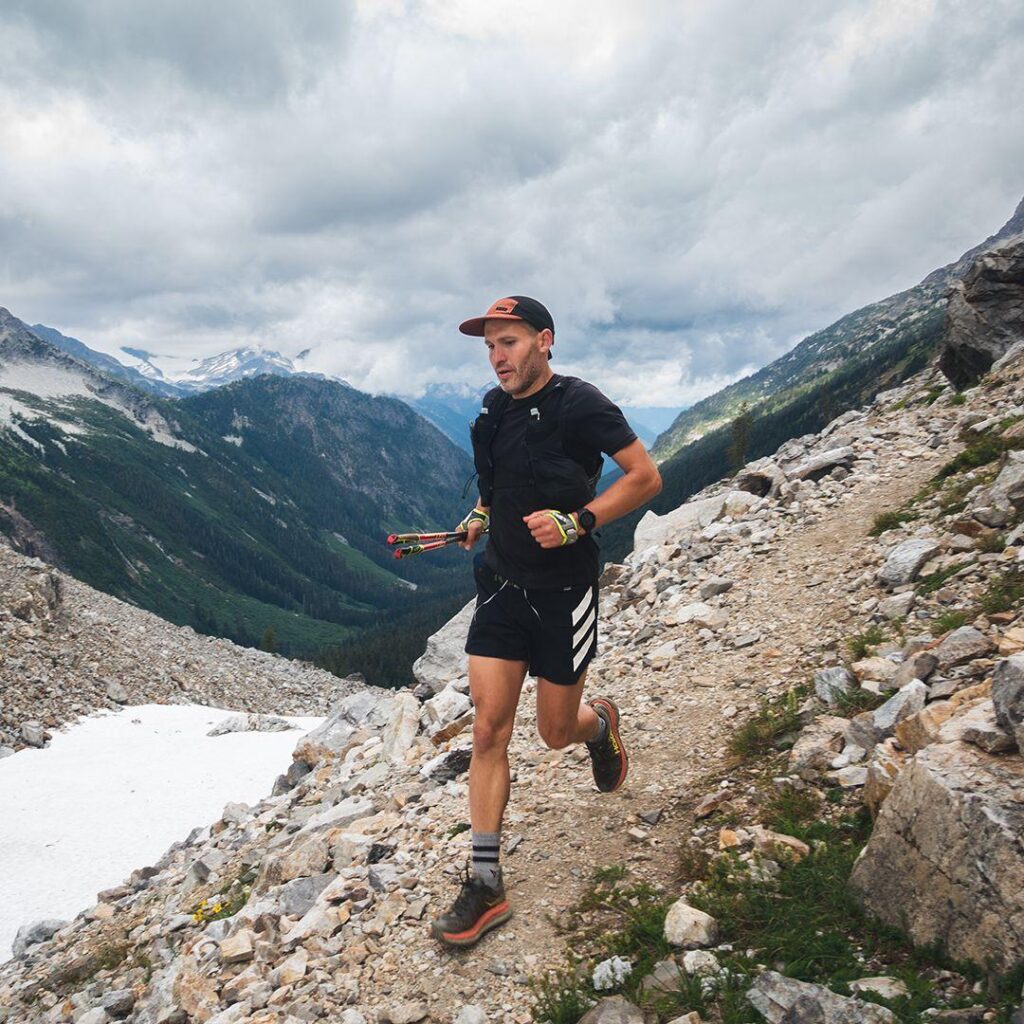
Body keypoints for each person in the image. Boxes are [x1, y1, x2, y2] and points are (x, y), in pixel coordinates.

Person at [429, 296, 662, 947]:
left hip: (564, 590)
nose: (498, 356)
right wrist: (480, 515)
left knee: (555, 731)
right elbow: (497, 484)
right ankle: (485, 884)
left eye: (509, 341)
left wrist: (579, 521)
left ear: (544, 341)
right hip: (502, 587)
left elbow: (645, 477)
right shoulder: (493, 411)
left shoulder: (580, 404)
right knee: (486, 730)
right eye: (490, 346)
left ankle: (600, 724)